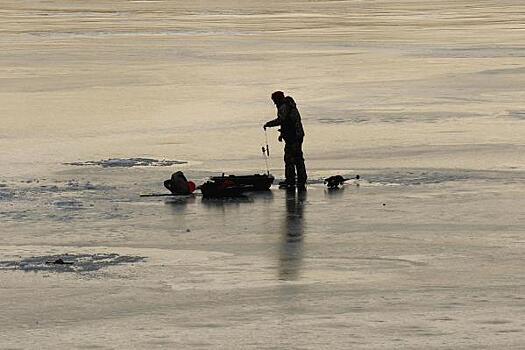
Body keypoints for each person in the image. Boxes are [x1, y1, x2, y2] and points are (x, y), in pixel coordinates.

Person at [264, 91, 307, 190]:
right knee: (297, 158)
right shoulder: (289, 106)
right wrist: (282, 134)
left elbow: (281, 120)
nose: (274, 103)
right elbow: (288, 123)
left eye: (274, 100)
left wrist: (268, 124)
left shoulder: (284, 107)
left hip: (294, 136)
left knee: (290, 159)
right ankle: (300, 180)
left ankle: (291, 181)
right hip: (296, 135)